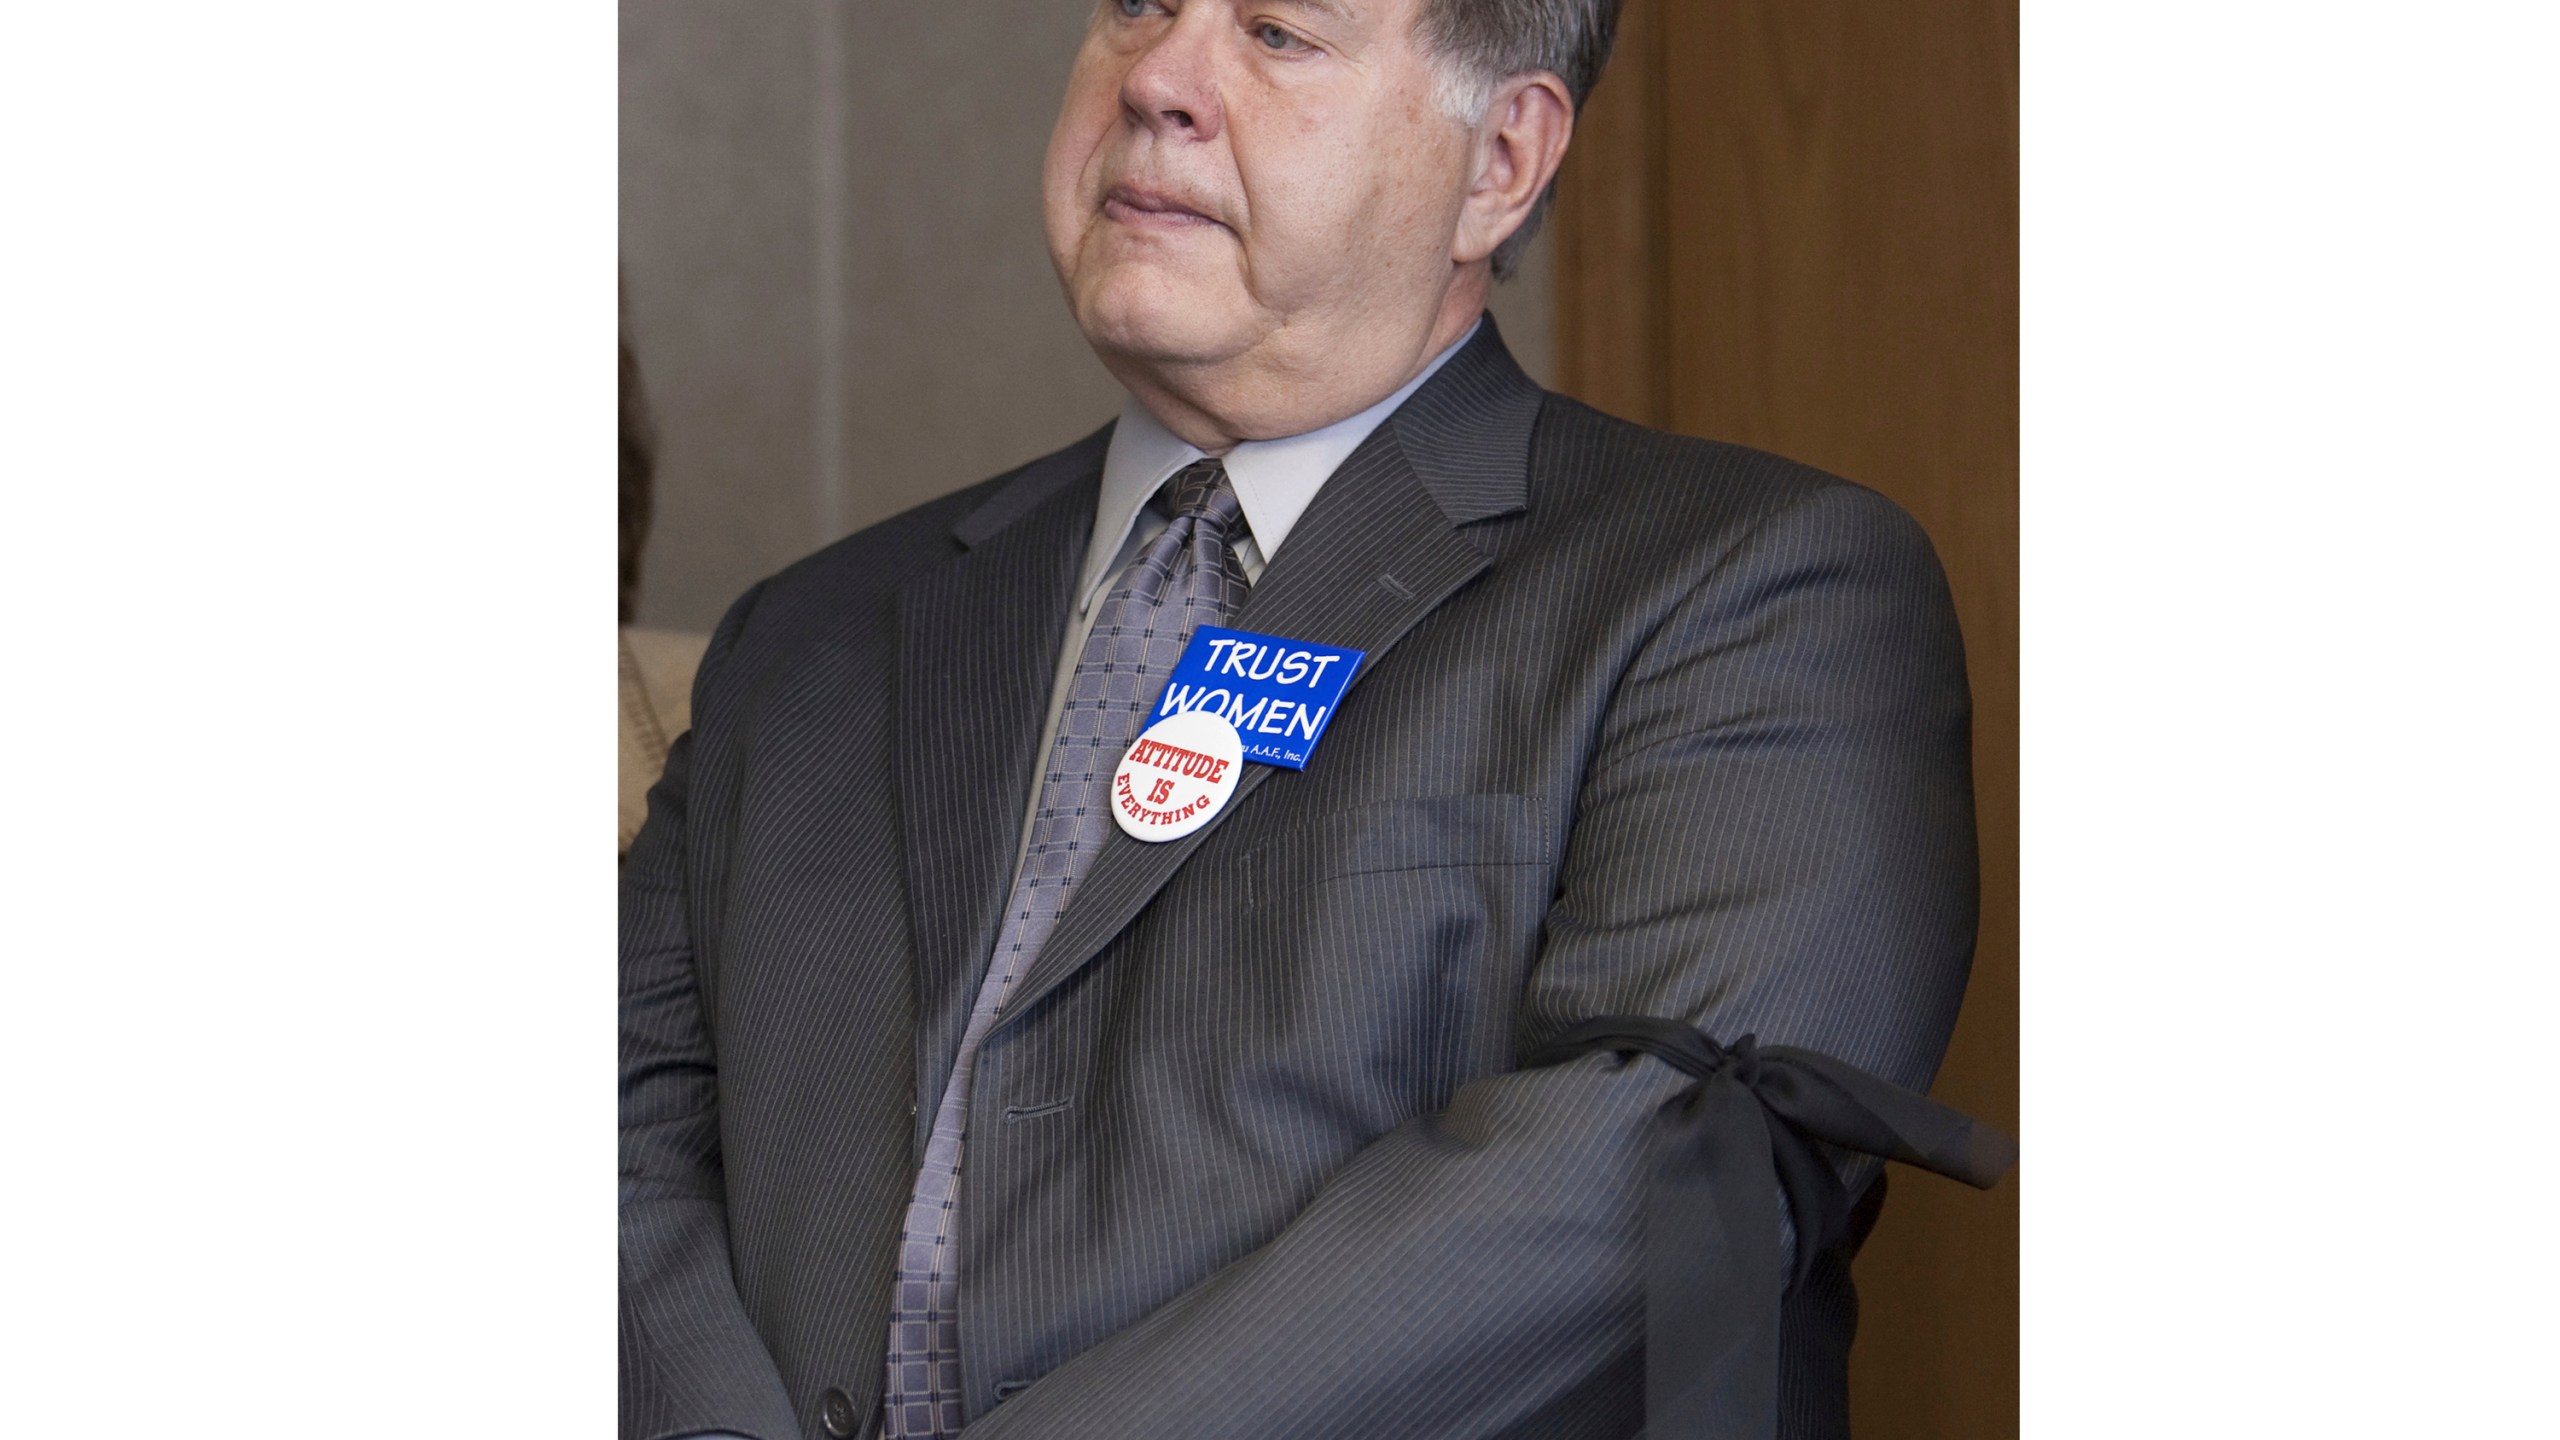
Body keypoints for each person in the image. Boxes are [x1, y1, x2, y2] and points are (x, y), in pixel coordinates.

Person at [621, 0, 1981, 1436]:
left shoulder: (1752, 587)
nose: (1157, 79)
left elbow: (1656, 1163)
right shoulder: (815, 629)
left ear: (1500, 162)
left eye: (1276, 31)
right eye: (1140, 5)